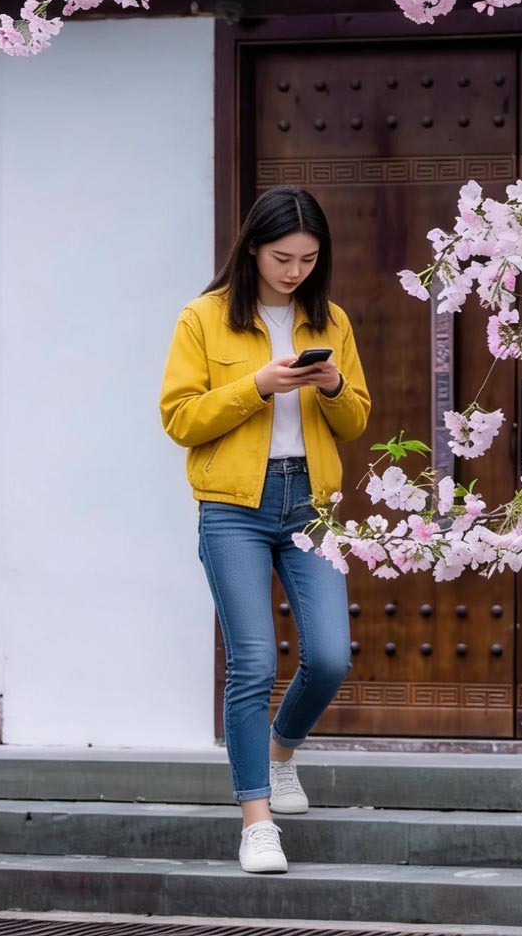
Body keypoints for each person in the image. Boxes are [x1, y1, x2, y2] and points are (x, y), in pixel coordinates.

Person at [159, 186, 370, 875]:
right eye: (283, 257)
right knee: (252, 662)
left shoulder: (330, 318)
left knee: (332, 657)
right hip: (232, 507)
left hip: (312, 503)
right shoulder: (205, 317)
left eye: (309, 259)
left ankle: (282, 753)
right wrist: (257, 385)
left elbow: (357, 419)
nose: (295, 271)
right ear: (252, 247)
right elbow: (180, 420)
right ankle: (257, 821)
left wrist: (333, 387)